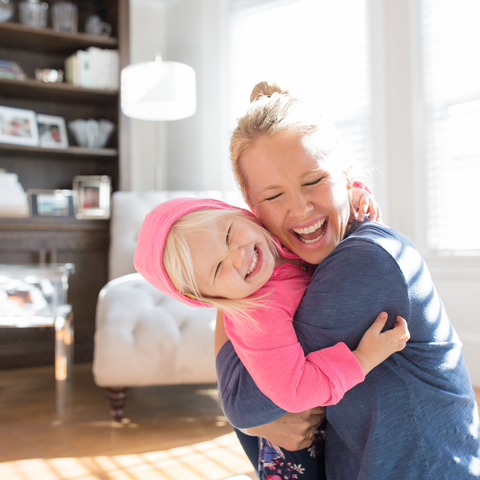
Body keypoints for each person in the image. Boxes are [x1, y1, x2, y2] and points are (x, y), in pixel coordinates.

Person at [213, 82, 480, 479]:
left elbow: (243, 401)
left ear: (347, 176)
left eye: (313, 181)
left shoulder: (364, 262)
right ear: (253, 211)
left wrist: (228, 292)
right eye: (274, 196)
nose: (300, 208)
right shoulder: (299, 266)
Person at [133, 193, 409, 480]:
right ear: (209, 297)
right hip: (294, 451)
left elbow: (317, 198)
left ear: (241, 214)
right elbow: (295, 389)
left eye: (228, 234)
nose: (238, 256)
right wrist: (362, 359)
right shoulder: (258, 315)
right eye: (217, 269)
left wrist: (354, 196)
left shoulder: (278, 234)